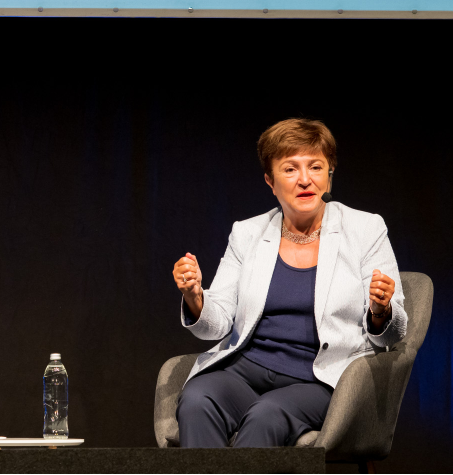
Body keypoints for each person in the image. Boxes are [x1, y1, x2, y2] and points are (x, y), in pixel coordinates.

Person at [171, 118, 407, 448]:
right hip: (246, 371)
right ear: (270, 181)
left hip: (318, 378)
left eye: (316, 167)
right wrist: (196, 298)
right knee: (197, 400)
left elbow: (395, 334)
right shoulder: (248, 232)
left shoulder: (365, 230)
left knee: (267, 414)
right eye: (290, 169)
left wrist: (380, 311)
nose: (305, 179)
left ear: (330, 174)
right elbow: (217, 323)